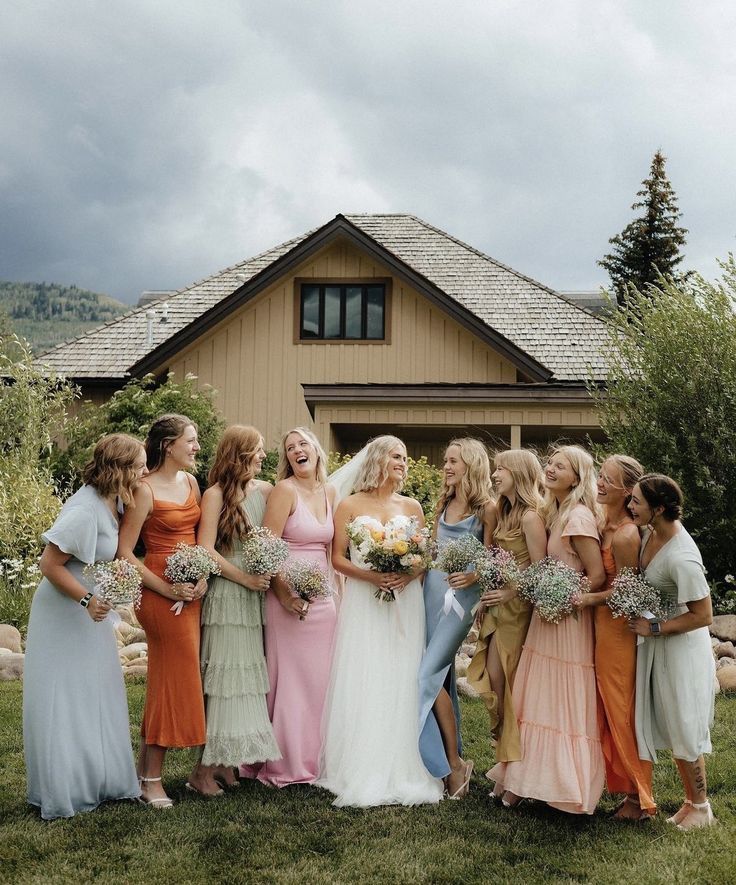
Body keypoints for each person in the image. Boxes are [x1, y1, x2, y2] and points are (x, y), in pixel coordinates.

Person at [24, 433, 147, 819]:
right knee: (66, 697)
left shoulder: (113, 501)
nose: (145, 471)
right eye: (141, 464)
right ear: (121, 469)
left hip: (91, 610)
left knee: (95, 692)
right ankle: (65, 788)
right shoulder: (83, 510)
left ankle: (99, 779)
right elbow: (49, 565)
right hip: (65, 613)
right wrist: (87, 600)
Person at [317, 435, 444, 807]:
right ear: (377, 459)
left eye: (406, 457)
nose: (403, 463)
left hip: (406, 603)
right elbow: (337, 559)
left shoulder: (413, 506)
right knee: (368, 673)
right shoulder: (350, 504)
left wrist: (407, 575)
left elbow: (423, 557)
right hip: (365, 601)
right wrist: (373, 577)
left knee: (403, 675)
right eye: (396, 456)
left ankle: (407, 761)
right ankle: (362, 763)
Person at [488, 444, 606, 814]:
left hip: (567, 623)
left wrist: (563, 597)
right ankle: (522, 781)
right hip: (546, 618)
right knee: (535, 699)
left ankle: (558, 785)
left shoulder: (579, 518)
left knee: (556, 704)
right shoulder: (554, 513)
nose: (550, 469)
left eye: (560, 466)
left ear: (577, 477)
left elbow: (597, 575)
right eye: (549, 464)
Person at [117, 414, 207, 807]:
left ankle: (143, 774)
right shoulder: (143, 489)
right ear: (168, 445)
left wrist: (202, 576)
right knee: (169, 682)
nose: (197, 447)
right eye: (191, 440)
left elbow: (198, 539)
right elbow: (125, 552)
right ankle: (150, 780)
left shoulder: (191, 483)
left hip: (192, 592)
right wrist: (168, 587)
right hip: (158, 594)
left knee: (175, 680)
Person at [187, 425, 281, 795]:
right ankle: (201, 771)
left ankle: (226, 764)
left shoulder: (267, 491)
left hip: (254, 594)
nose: (262, 456)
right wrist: (244, 578)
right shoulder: (214, 495)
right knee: (225, 683)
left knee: (244, 681)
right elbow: (206, 549)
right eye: (256, 451)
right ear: (238, 455)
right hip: (228, 593)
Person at [242, 427, 337, 786]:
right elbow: (266, 548)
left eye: (303, 444)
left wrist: (333, 596)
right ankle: (284, 762)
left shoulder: (330, 491)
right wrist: (285, 594)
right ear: (288, 459)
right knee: (290, 681)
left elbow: (331, 550)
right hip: (286, 599)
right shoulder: (284, 490)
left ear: (316, 451)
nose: (298, 450)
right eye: (290, 448)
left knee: (320, 682)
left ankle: (316, 758)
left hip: (323, 600)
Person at [628, 474, 717, 831]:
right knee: (673, 723)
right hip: (661, 649)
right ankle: (688, 801)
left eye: (636, 501)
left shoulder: (682, 557)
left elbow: (704, 614)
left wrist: (655, 628)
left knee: (685, 724)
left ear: (659, 508)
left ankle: (702, 807)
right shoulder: (652, 533)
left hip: (681, 651)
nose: (630, 506)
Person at [417, 438, 496, 798]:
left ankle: (453, 765)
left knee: (426, 675)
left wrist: (474, 576)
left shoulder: (487, 509)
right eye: (445, 460)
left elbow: (494, 559)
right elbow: (432, 551)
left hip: (460, 601)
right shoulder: (443, 502)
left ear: (471, 465)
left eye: (454, 461)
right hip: (431, 593)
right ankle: (451, 759)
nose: (446, 466)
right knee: (442, 679)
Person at [467, 448, 546, 776]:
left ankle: (512, 764)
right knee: (496, 680)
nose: (495, 475)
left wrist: (511, 591)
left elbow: (542, 568)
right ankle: (505, 757)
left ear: (521, 475)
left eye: (502, 470)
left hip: (518, 609)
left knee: (509, 683)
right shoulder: (503, 510)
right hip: (497, 605)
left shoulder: (531, 515)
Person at [592, 455, 656, 820]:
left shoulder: (628, 534)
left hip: (619, 631)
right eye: (599, 476)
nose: (599, 483)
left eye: (608, 480)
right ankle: (625, 788)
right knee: (608, 706)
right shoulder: (605, 524)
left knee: (622, 709)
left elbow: (626, 592)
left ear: (626, 491)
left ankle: (639, 798)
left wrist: (584, 599)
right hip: (601, 627)